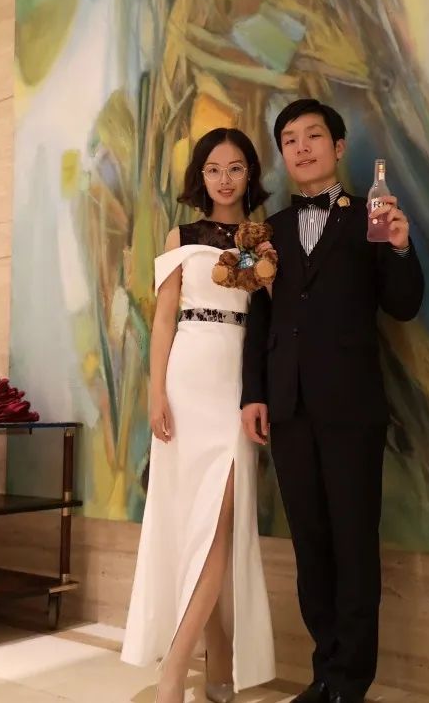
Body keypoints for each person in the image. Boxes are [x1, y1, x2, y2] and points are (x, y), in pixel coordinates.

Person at [241, 99, 424, 703]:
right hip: (288, 410)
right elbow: (258, 321)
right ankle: (323, 674)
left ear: (338, 147)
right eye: (289, 139)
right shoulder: (264, 232)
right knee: (311, 546)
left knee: (354, 545)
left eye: (313, 135)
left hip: (352, 409)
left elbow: (403, 305)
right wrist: (254, 395)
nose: (301, 147)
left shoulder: (371, 216)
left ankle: (350, 683)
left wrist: (400, 247)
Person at [121, 127, 277, 703]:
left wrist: (265, 267)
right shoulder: (181, 235)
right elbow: (164, 318)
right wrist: (155, 393)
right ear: (201, 177)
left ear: (249, 173)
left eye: (235, 168)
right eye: (214, 169)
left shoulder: (262, 239)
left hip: (237, 384)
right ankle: (217, 664)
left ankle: (175, 671)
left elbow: (270, 315)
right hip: (186, 380)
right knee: (192, 523)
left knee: (219, 527)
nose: (225, 179)